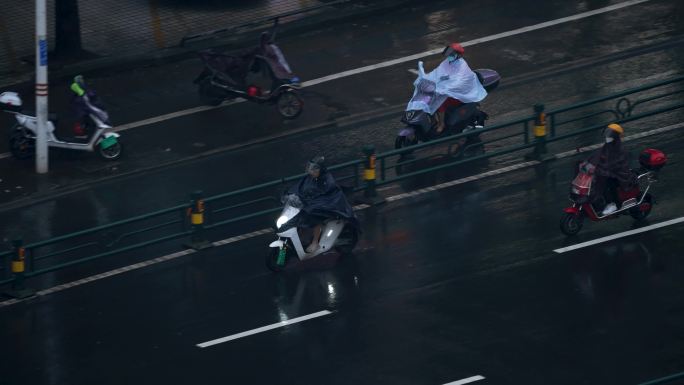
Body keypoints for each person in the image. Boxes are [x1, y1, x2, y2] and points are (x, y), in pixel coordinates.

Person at [287, 156, 358, 253]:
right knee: (301, 215)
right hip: (315, 205)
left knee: (315, 218)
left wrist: (313, 203)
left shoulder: (327, 180)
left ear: (320, 169)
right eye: (310, 168)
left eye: (314, 169)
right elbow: (301, 188)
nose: (311, 171)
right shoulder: (310, 178)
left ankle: (315, 243)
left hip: (329, 207)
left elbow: (326, 196)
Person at [433, 42, 487, 134]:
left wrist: (447, 87)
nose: (449, 55)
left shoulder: (461, 66)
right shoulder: (448, 63)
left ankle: (442, 124)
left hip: (460, 95)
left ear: (458, 55)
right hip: (452, 92)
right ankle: (436, 121)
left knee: (439, 102)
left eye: (451, 54)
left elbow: (458, 81)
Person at [587, 123, 636, 215]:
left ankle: (613, 204)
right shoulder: (608, 146)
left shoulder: (619, 149)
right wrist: (588, 163)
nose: (607, 137)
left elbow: (616, 165)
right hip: (611, 173)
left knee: (606, 182)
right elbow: (598, 155)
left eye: (610, 134)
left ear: (615, 136)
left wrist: (603, 169)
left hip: (620, 176)